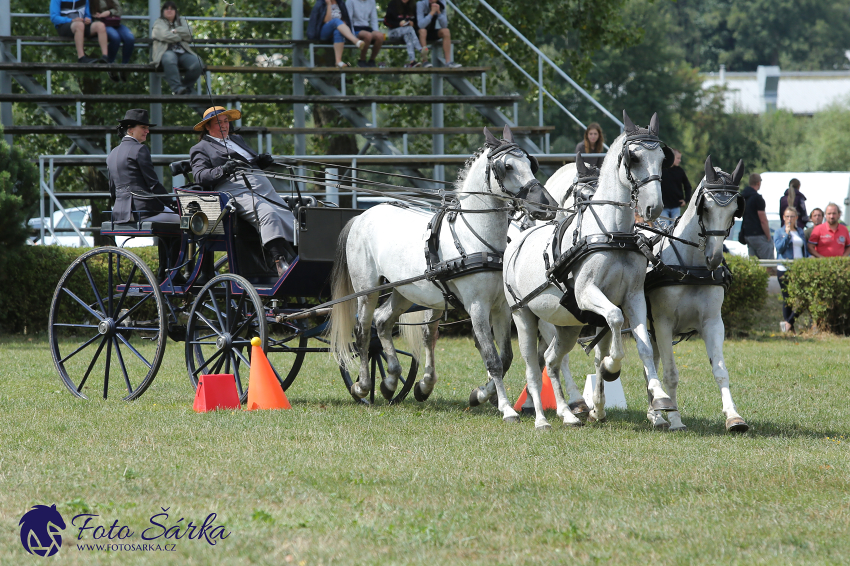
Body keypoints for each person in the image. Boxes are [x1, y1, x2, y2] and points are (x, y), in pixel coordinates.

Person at [190, 106, 298, 276]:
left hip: (261, 185)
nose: (224, 125)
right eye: (218, 122)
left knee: (288, 215)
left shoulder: (237, 139)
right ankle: (279, 261)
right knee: (267, 213)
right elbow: (199, 176)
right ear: (207, 127)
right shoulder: (201, 148)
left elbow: (248, 161)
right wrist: (223, 169)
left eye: (226, 121)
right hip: (234, 188)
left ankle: (298, 260)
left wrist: (260, 161)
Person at [106, 109, 181, 281]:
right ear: (130, 129)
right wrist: (173, 204)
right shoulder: (140, 150)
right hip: (143, 210)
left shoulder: (112, 154)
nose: (147, 131)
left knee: (171, 224)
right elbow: (153, 184)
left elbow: (112, 190)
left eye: (147, 128)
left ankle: (165, 271)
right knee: (183, 221)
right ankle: (172, 273)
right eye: (143, 127)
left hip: (121, 213)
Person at [151, 1, 203, 95]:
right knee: (169, 59)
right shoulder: (158, 22)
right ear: (163, 11)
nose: (169, 11)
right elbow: (164, 35)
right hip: (166, 52)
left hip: (183, 52)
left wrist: (175, 31)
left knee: (198, 63)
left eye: (172, 9)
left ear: (175, 11)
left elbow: (189, 32)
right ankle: (177, 88)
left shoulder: (181, 21)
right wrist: (180, 37)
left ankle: (186, 87)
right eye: (167, 9)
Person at [773, 206, 809, 333]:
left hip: (799, 268)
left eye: (792, 216)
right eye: (787, 216)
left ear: (796, 218)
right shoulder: (779, 232)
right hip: (784, 268)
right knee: (787, 298)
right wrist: (787, 235)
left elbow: (804, 248)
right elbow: (779, 248)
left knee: (804, 297)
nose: (790, 219)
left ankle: (788, 323)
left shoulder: (800, 231)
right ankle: (789, 328)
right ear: (783, 218)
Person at [307, 0, 364, 68]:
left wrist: (343, 23)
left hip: (336, 30)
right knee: (336, 21)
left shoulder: (340, 3)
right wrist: (328, 4)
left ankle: (338, 61)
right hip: (323, 33)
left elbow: (345, 19)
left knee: (338, 32)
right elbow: (327, 20)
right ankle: (355, 40)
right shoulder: (321, 3)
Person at [90, 0, 134, 82]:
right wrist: (97, 15)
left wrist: (109, 12)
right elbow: (88, 12)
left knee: (130, 38)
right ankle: (110, 65)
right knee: (115, 37)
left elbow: (119, 10)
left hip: (115, 22)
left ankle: (124, 66)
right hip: (101, 23)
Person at [740, 173, 774, 259]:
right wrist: (768, 236)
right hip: (758, 234)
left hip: (747, 234)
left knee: (754, 263)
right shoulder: (757, 198)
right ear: (758, 183)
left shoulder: (743, 197)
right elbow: (763, 220)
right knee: (768, 262)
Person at [416, 0, 460, 68]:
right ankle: (425, 61)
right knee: (423, 31)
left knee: (446, 31)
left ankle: (448, 62)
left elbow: (444, 25)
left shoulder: (441, 3)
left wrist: (439, 12)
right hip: (419, 33)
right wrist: (432, 13)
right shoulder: (421, 4)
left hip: (431, 32)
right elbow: (421, 25)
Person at [384, 0, 425, 68]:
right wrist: (398, 24)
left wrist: (412, 24)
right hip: (393, 33)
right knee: (409, 29)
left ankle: (412, 61)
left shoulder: (413, 6)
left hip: (407, 32)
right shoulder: (393, 4)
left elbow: (417, 22)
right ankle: (420, 49)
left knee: (408, 35)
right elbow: (386, 21)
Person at [346, 0, 385, 67]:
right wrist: (352, 35)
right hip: (355, 27)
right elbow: (349, 19)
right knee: (368, 35)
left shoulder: (372, 1)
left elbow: (374, 19)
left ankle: (372, 60)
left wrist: (376, 31)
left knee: (380, 36)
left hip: (366, 27)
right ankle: (362, 60)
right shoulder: (350, 1)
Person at [659, 148, 692, 220]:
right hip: (663, 206)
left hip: (676, 206)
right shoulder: (661, 170)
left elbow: (687, 186)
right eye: (678, 158)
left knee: (675, 225)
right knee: (664, 225)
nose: (680, 160)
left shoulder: (680, 171)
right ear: (671, 157)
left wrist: (686, 200)